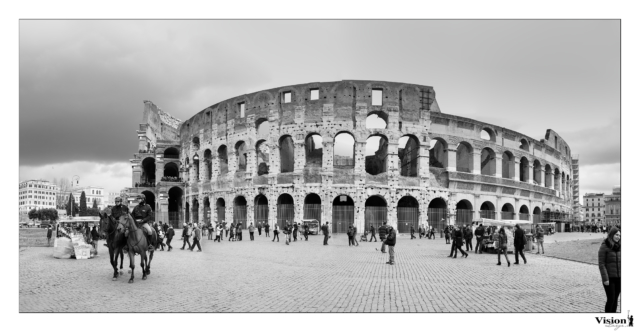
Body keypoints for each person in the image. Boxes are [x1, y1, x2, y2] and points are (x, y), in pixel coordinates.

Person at [598, 227, 621, 313]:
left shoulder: (620, 246)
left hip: (619, 278)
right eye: (616, 235)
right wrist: (605, 279)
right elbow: (601, 264)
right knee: (611, 299)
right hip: (609, 278)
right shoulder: (604, 246)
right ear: (611, 235)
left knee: (615, 299)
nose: (618, 237)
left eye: (619, 235)